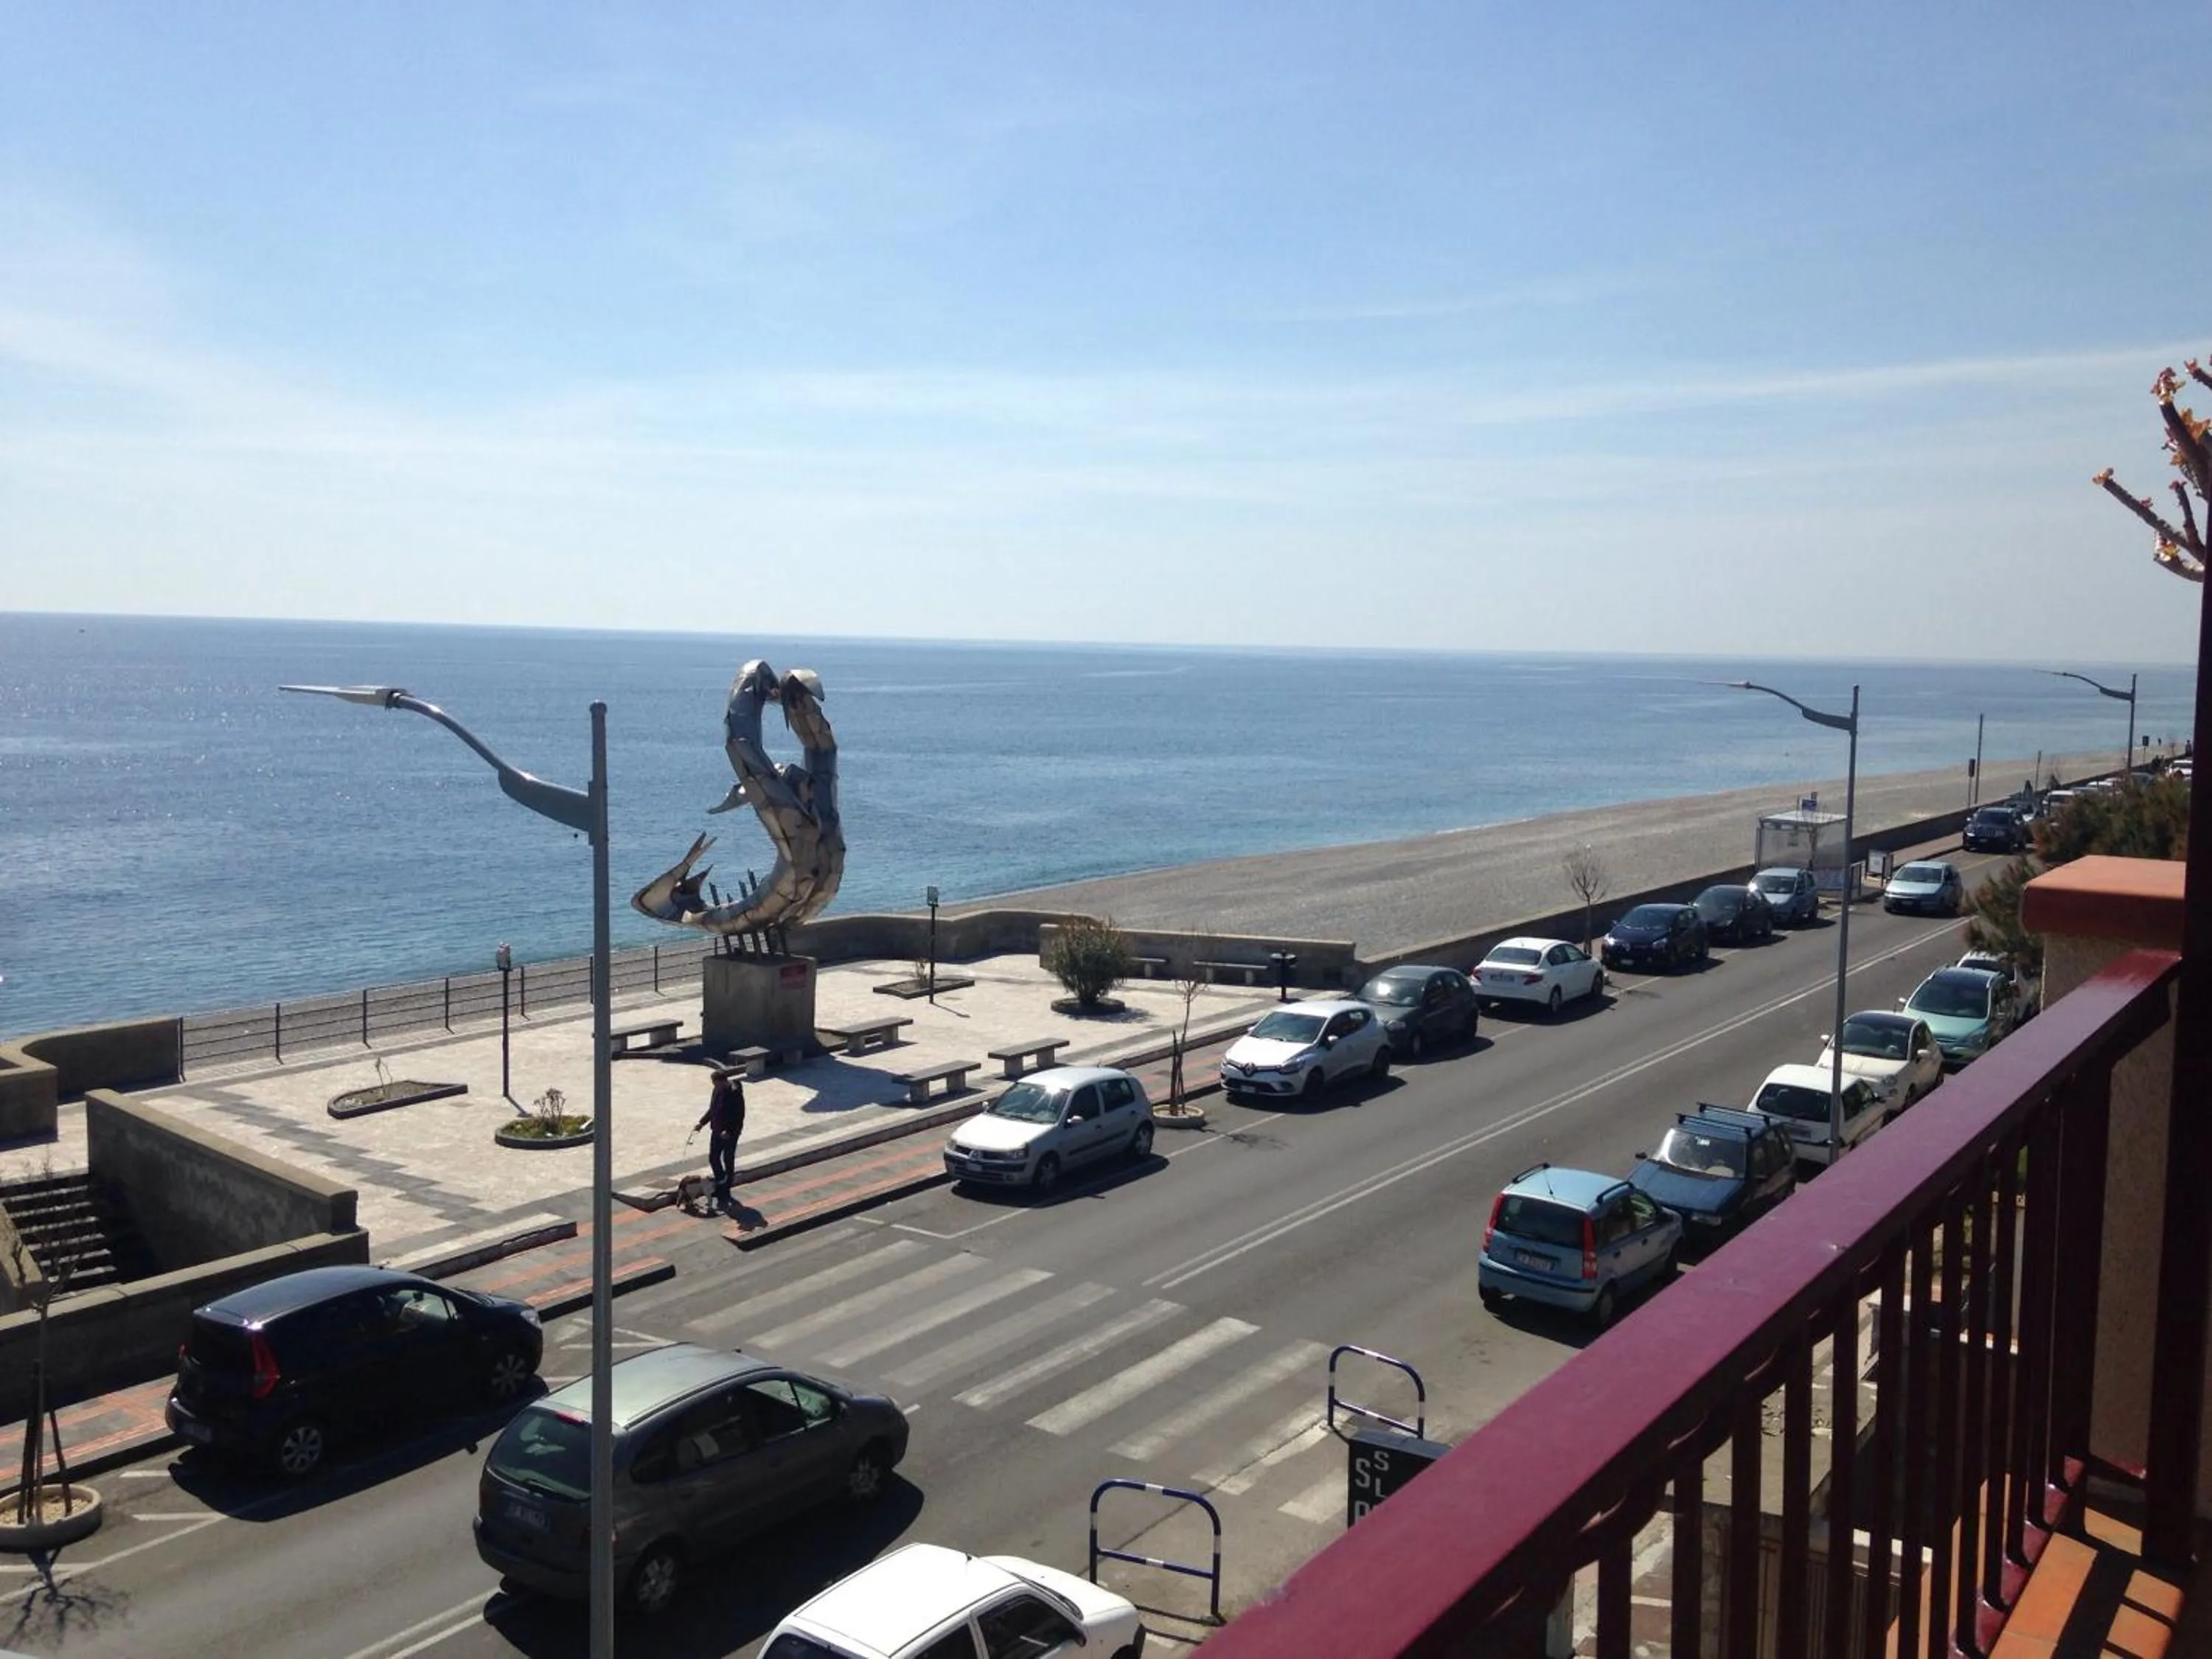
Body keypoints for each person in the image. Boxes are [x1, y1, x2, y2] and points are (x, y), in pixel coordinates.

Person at [695, 1071, 746, 1205]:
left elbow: (739, 1115)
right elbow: (713, 1109)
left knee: (728, 1159)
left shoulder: (734, 1093)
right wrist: (702, 1123)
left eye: (715, 1083)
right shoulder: (717, 1090)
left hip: (730, 1134)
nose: (714, 1086)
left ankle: (726, 1189)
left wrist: (729, 1131)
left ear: (723, 1081)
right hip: (717, 1131)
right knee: (713, 1157)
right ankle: (721, 1181)